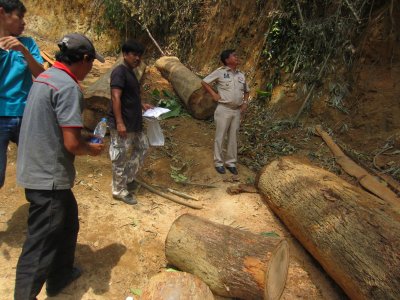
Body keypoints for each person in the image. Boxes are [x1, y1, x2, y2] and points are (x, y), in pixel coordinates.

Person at [14, 33, 105, 299]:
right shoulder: (68, 87)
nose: (91, 69)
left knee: (68, 222)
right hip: (48, 177)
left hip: (36, 168)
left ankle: (60, 275)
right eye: (92, 63)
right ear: (85, 59)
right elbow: (72, 144)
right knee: (40, 245)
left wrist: (81, 137)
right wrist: (91, 149)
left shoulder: (45, 78)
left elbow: (56, 127)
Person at [0, 0, 44, 188]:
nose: (24, 22)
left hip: (26, 115)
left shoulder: (27, 43)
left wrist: (24, 52)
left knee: (37, 167)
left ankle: (40, 213)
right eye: (20, 16)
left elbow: (41, 75)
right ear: (2, 13)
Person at [108, 40, 152, 205]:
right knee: (120, 155)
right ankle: (118, 190)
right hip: (123, 123)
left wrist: (142, 105)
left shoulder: (130, 72)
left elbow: (128, 96)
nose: (137, 58)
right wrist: (119, 122)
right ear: (125, 54)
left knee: (143, 147)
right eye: (134, 54)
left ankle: (126, 179)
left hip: (134, 123)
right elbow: (116, 96)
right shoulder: (119, 71)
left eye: (139, 55)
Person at [202, 49, 250, 175]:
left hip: (237, 111)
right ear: (227, 60)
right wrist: (214, 94)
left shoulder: (241, 75)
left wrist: (245, 103)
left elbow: (247, 91)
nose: (237, 57)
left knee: (233, 137)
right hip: (223, 109)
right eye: (234, 56)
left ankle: (231, 163)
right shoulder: (220, 72)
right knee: (220, 136)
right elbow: (204, 82)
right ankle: (218, 162)